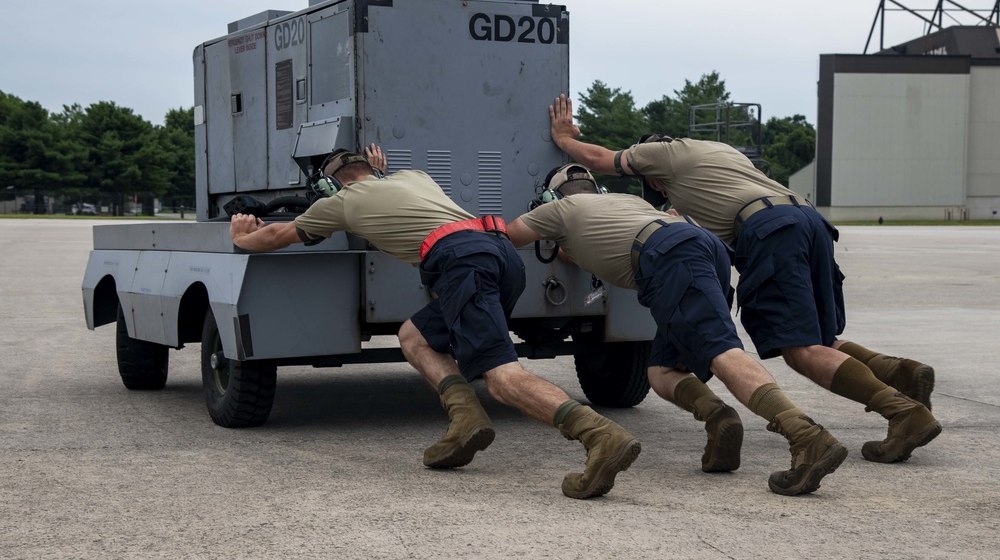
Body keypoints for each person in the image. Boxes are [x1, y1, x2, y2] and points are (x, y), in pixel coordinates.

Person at [229, 144, 641, 499]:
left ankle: (600, 436)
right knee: (414, 336)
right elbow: (386, 194)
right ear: (374, 172)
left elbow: (273, 238)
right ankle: (466, 419)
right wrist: (379, 172)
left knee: (502, 377)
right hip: (499, 255)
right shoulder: (414, 176)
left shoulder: (340, 202)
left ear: (330, 187)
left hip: (461, 262)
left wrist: (241, 234)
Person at [547, 94, 941, 465]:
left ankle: (903, 412)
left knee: (800, 349)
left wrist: (564, 138)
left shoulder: (661, 154)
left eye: (652, 184)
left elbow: (600, 159)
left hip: (769, 231)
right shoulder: (719, 154)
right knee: (820, 339)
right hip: (808, 220)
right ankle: (898, 372)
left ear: (651, 172)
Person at [507, 163, 848, 495]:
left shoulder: (558, 210)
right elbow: (579, 251)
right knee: (660, 371)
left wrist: (542, 223)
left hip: (668, 256)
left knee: (721, 351)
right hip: (701, 245)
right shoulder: (626, 202)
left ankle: (806, 436)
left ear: (554, 195)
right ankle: (718, 419)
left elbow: (511, 236)